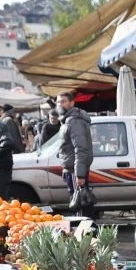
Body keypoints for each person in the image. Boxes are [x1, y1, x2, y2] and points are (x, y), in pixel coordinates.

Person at [56, 90, 94, 218]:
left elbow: (80, 148)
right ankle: (87, 231)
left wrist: (80, 175)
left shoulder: (74, 121)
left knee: (78, 202)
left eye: (63, 101)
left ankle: (84, 233)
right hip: (71, 168)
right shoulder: (67, 120)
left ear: (72, 103)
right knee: (80, 201)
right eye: (58, 102)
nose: (60, 104)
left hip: (75, 170)